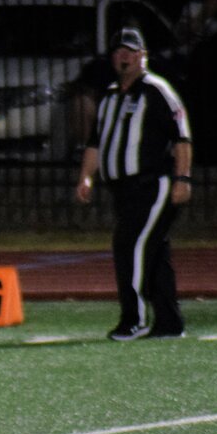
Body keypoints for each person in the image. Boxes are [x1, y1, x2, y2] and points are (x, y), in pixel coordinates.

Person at [74, 27, 193, 340]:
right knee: (154, 253)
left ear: (143, 56)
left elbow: (181, 138)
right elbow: (96, 143)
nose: (123, 56)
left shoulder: (157, 91)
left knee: (130, 245)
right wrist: (87, 176)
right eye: (118, 51)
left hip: (153, 185)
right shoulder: (111, 96)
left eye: (129, 51)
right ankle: (169, 323)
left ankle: (134, 320)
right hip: (123, 190)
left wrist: (183, 178)